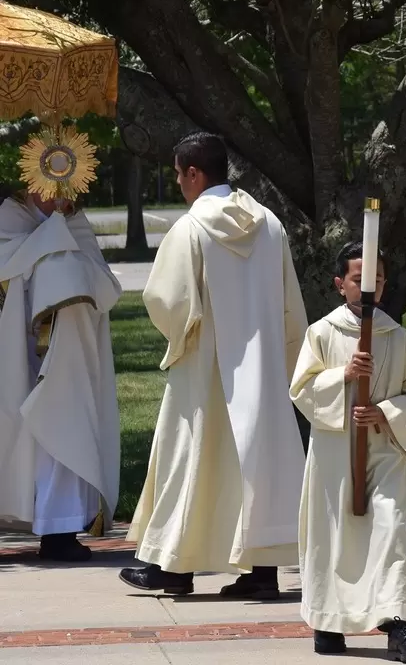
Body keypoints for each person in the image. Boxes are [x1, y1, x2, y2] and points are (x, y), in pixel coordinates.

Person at [120, 132, 307, 597]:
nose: (179, 184)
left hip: (205, 366)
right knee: (257, 464)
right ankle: (262, 574)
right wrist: (287, 357)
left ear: (193, 173)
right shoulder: (269, 223)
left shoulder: (190, 227)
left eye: (179, 175)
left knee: (192, 458)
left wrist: (180, 336)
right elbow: (290, 303)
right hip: (261, 369)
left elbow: (168, 298)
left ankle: (174, 568)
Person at [290, 242, 406, 662]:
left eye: (376, 279)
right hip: (336, 450)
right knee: (333, 535)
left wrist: (385, 412)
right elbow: (301, 389)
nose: (368, 286)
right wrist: (342, 376)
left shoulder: (398, 336)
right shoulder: (322, 333)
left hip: (384, 449)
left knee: (390, 530)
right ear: (340, 284)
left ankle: (396, 624)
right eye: (359, 279)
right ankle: (328, 619)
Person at [0, 190, 121, 562]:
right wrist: (49, 244)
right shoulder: (9, 218)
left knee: (63, 437)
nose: (57, 194)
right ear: (30, 180)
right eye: (49, 183)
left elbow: (104, 285)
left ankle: (59, 530)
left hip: (67, 362)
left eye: (65, 184)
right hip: (15, 358)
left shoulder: (76, 224)